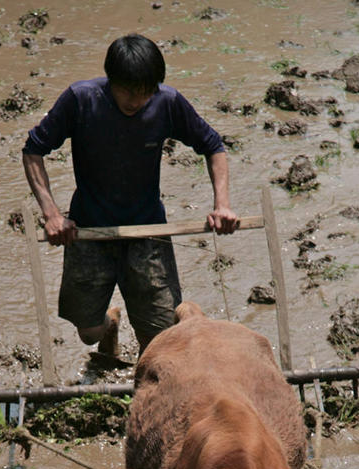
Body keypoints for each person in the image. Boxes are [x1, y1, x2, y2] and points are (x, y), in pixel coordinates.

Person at [22, 33, 238, 357]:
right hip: (89, 230)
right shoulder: (81, 100)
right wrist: (52, 214)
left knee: (163, 339)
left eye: (145, 92)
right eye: (128, 91)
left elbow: (213, 146)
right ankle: (109, 324)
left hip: (148, 230)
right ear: (112, 80)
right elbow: (33, 150)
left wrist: (222, 206)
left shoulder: (167, 102)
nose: (136, 101)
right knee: (88, 333)